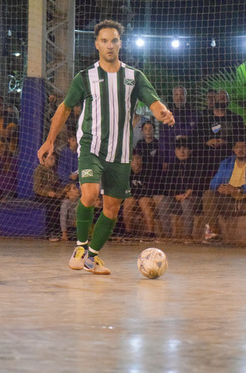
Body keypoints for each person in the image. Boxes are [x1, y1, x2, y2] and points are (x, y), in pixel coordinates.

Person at [37, 19, 175, 275]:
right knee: (88, 195)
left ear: (120, 44)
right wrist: (49, 141)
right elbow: (64, 108)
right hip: (92, 146)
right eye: (104, 41)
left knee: (112, 208)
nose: (109, 45)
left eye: (114, 40)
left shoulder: (134, 76)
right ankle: (80, 246)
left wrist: (162, 112)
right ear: (96, 44)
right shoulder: (85, 77)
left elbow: (153, 101)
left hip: (121, 153)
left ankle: (92, 256)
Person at [201, 139, 246, 247]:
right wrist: (219, 187)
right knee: (209, 194)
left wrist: (238, 189)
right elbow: (213, 182)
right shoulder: (226, 163)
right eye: (237, 147)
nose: (240, 150)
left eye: (243, 147)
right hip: (229, 201)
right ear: (233, 149)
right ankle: (214, 232)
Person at [156, 137, 201, 243]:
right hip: (177, 199)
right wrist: (175, 195)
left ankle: (187, 236)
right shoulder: (173, 165)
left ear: (189, 150)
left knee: (186, 202)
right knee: (163, 203)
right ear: (175, 151)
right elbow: (167, 185)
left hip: (194, 199)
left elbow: (199, 182)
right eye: (179, 148)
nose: (182, 151)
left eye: (184, 148)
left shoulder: (196, 164)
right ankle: (167, 235)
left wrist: (190, 191)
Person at [198, 89, 244, 182]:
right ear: (214, 100)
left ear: (228, 101)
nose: (222, 99)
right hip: (207, 159)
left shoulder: (236, 118)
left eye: (224, 97)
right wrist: (207, 142)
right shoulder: (204, 118)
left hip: (229, 157)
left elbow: (241, 138)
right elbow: (197, 136)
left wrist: (226, 142)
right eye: (220, 97)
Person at [159, 85, 200, 165]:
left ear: (186, 96)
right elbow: (163, 139)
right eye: (176, 95)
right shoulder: (167, 114)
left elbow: (198, 134)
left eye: (181, 94)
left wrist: (186, 137)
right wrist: (165, 159)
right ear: (173, 97)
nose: (179, 98)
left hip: (191, 158)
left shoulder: (195, 114)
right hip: (171, 158)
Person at [122, 153, 158, 240]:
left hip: (149, 199)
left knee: (144, 201)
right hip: (135, 200)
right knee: (128, 201)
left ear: (141, 160)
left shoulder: (148, 172)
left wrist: (137, 197)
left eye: (138, 158)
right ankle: (128, 232)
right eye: (132, 160)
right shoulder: (126, 174)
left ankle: (151, 233)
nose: (136, 162)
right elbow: (125, 192)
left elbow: (150, 191)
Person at [33, 152, 62, 240]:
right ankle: (51, 232)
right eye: (50, 159)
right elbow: (37, 188)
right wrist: (47, 193)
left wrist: (59, 192)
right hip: (40, 195)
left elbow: (57, 185)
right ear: (44, 159)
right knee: (52, 206)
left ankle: (59, 231)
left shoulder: (54, 171)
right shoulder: (39, 170)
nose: (53, 161)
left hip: (52, 195)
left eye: (54, 159)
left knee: (59, 203)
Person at [0, 138, 17, 202]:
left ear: (6, 146)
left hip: (13, 192)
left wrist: (6, 197)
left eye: (1, 146)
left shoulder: (14, 160)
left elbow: (16, 181)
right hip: (2, 192)